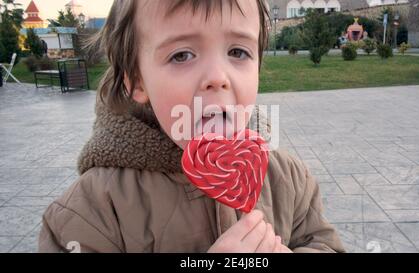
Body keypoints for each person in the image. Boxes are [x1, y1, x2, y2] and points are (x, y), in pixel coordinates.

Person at [38, 0, 345, 253]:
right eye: (182, 55)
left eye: (238, 52)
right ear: (138, 82)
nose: (217, 76)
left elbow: (322, 243)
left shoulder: (288, 179)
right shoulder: (92, 209)